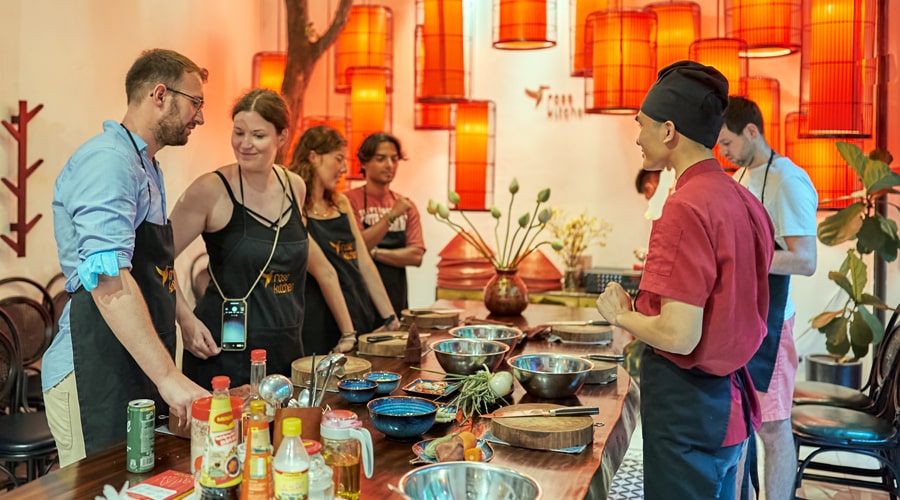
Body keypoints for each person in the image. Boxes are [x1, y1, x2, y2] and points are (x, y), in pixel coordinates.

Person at [594, 61, 774, 499]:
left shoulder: (685, 206)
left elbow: (679, 333)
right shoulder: (743, 198)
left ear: (669, 132)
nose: (637, 137)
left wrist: (623, 315)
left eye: (641, 125)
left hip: (689, 405)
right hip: (725, 406)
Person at [45, 49, 210, 466]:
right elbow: (106, 280)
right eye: (196, 103)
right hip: (93, 367)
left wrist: (184, 318)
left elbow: (153, 268)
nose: (200, 118)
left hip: (134, 360)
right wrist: (169, 377)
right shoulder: (108, 161)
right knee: (101, 490)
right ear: (160, 94)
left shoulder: (146, 165)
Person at [169, 89, 356, 388]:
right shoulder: (210, 190)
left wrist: (348, 332)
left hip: (287, 348)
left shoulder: (295, 187)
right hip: (223, 353)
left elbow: (315, 266)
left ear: (282, 137)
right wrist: (185, 320)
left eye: (258, 135)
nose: (245, 144)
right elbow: (158, 259)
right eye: (238, 132)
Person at [718, 95, 818, 500]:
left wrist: (744, 255)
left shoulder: (787, 180)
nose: (722, 152)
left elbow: (805, 260)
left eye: (727, 143)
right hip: (745, 321)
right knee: (742, 424)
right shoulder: (742, 177)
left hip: (774, 325)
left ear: (752, 132)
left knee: (773, 427)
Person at [289, 125, 402, 355]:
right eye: (338, 159)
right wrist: (347, 333)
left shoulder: (340, 203)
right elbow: (326, 273)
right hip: (321, 317)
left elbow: (364, 262)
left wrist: (390, 318)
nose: (344, 168)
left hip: (357, 308)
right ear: (313, 157)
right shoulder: (295, 206)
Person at [345, 133, 426, 316]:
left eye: (394, 159)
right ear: (364, 163)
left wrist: (374, 252)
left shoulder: (407, 205)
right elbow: (355, 248)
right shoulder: (349, 201)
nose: (389, 165)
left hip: (397, 296)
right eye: (381, 159)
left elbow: (416, 256)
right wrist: (391, 216)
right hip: (359, 297)